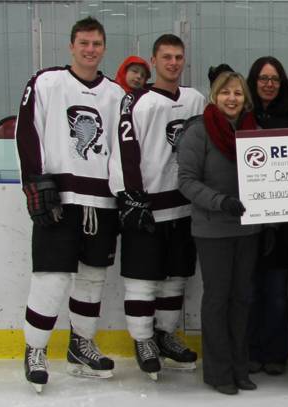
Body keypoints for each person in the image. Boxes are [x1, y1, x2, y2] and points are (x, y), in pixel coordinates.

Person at [15, 16, 125, 393]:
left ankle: (80, 346)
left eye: (96, 44)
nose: (90, 50)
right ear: (71, 46)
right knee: (52, 278)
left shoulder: (116, 95)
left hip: (102, 202)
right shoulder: (46, 83)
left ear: (104, 48)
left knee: (93, 278)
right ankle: (35, 349)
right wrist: (34, 182)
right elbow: (27, 132)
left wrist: (124, 194)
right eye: (84, 43)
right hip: (60, 198)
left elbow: (123, 150)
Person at [108, 34, 205, 380]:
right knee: (142, 279)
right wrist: (129, 195)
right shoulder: (136, 101)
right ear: (154, 61)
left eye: (178, 57)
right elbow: (124, 148)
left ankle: (165, 335)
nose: (173, 63)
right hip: (146, 205)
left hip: (184, 207)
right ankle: (143, 339)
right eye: (166, 57)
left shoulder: (196, 99)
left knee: (176, 278)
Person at [178, 70, 262, 395]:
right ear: (215, 95)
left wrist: (268, 222)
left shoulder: (254, 131)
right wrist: (220, 202)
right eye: (226, 92)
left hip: (248, 230)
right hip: (212, 230)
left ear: (245, 99)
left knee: (241, 298)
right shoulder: (198, 131)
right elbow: (186, 180)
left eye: (238, 93)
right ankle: (218, 372)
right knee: (217, 299)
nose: (232, 98)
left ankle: (240, 367)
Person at [245, 56, 288, 376]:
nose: (268, 84)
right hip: (248, 224)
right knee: (251, 292)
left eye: (274, 79)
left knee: (277, 294)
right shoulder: (241, 117)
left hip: (283, 227)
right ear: (253, 82)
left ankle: (277, 353)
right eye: (263, 79)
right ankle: (252, 350)